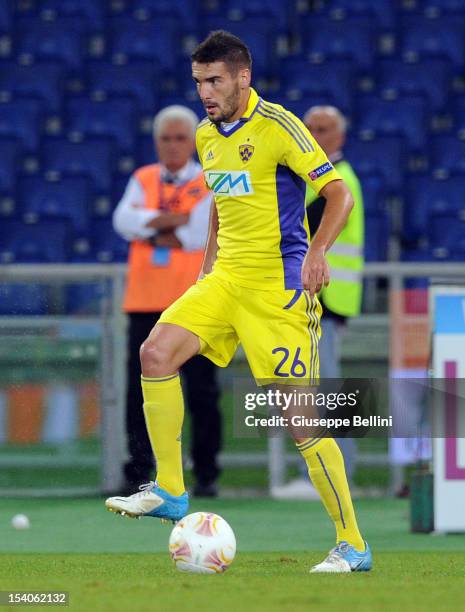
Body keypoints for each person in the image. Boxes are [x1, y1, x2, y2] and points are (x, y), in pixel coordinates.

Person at [106, 31, 372, 573]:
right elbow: (223, 204)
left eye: (214, 81)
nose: (205, 92)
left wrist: (318, 252)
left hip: (277, 290)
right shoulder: (206, 134)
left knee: (302, 422)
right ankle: (173, 490)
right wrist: (207, 269)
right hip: (225, 280)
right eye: (199, 81)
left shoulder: (279, 127)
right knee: (155, 353)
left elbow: (336, 193)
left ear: (242, 77)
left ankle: (353, 544)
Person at [112, 105, 222, 497]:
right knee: (139, 393)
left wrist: (150, 224)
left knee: (201, 390)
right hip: (144, 301)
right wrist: (172, 222)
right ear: (156, 141)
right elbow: (122, 221)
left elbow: (196, 234)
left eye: (180, 138)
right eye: (166, 138)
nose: (173, 145)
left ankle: (206, 472)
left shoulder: (210, 180)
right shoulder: (141, 177)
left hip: (194, 301)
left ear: (192, 141)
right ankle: (139, 471)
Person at [276, 106, 365, 499]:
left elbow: (295, 225)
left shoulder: (335, 181)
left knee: (320, 387)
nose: (314, 134)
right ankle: (329, 471)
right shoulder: (328, 179)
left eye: (323, 129)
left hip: (322, 294)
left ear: (340, 137)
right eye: (310, 128)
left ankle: (332, 473)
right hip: (325, 294)